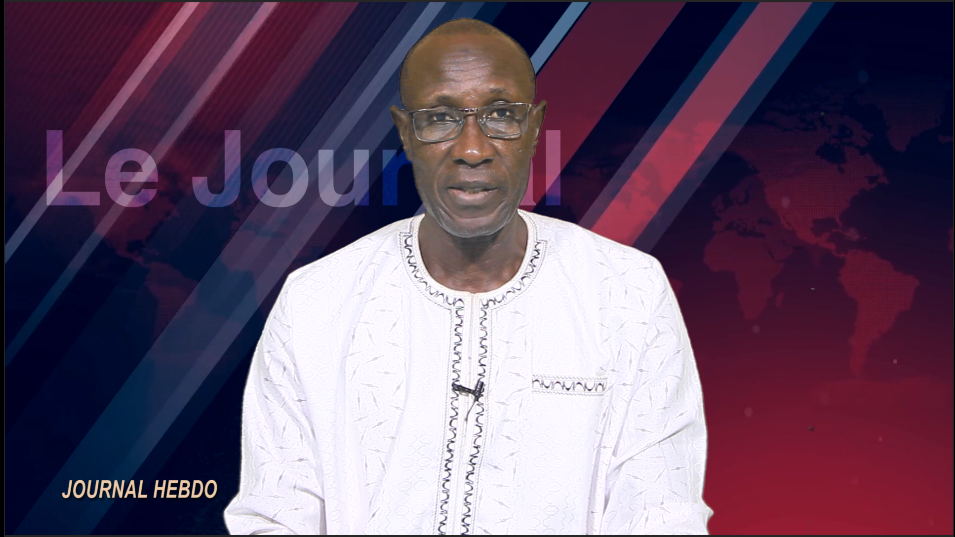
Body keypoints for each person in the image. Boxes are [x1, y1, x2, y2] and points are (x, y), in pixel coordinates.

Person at [224, 18, 713, 535]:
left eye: (501, 115)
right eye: (440, 118)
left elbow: (663, 516)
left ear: (534, 127)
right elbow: (274, 516)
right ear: (406, 133)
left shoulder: (627, 293)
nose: (473, 149)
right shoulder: (318, 302)